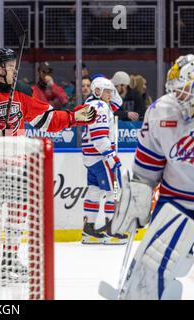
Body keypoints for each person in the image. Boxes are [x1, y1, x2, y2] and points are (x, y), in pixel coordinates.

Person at [0, 49, 96, 284]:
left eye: (15, 65)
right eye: (11, 66)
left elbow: (46, 119)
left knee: (18, 214)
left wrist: (74, 117)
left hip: (16, 164)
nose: (15, 70)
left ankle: (8, 259)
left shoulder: (22, 92)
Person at [110, 54, 194, 299]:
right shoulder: (162, 111)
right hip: (177, 201)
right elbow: (148, 166)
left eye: (184, 92)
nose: (179, 98)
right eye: (176, 91)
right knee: (150, 267)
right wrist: (139, 193)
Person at [81, 77, 128, 245]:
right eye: (108, 91)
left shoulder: (92, 103)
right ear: (98, 91)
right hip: (101, 157)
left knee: (94, 191)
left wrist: (108, 85)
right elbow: (99, 137)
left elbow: (118, 102)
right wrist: (111, 156)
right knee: (114, 191)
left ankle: (88, 230)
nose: (111, 94)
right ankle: (111, 231)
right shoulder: (101, 107)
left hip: (90, 158)